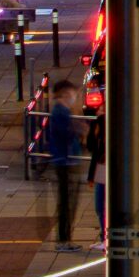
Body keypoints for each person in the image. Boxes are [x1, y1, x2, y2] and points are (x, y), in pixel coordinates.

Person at [42, 79, 88, 252]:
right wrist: (79, 129)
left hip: (67, 160)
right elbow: (65, 134)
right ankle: (63, 240)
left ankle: (66, 238)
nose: (74, 97)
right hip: (65, 161)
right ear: (65, 94)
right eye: (72, 94)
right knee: (66, 202)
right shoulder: (60, 112)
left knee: (68, 202)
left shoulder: (63, 111)